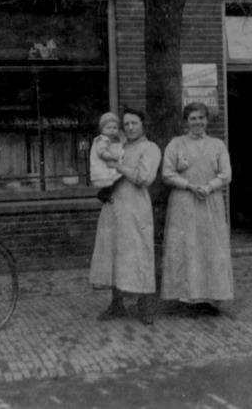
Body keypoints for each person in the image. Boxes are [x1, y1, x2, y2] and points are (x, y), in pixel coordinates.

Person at [89, 108, 161, 325]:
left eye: (134, 123)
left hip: (136, 207)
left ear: (143, 125)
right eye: (126, 124)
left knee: (139, 253)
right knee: (113, 253)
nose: (129, 127)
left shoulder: (150, 148)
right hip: (114, 206)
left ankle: (145, 305)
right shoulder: (116, 145)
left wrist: (117, 165)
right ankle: (116, 304)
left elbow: (144, 177)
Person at [161, 102, 233, 314]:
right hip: (184, 201)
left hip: (209, 202)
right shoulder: (176, 144)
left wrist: (210, 187)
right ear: (186, 121)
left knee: (209, 247)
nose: (197, 122)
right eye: (193, 118)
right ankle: (186, 298)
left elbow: (226, 174)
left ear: (207, 120)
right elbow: (167, 173)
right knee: (186, 246)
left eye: (201, 118)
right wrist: (189, 186)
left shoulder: (218, 145)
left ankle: (209, 298)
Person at [90, 112, 125, 204]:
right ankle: (103, 193)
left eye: (115, 128)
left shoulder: (110, 140)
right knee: (119, 177)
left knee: (116, 179)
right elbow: (101, 152)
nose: (112, 130)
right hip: (101, 168)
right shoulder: (102, 140)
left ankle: (105, 193)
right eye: (108, 128)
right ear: (102, 130)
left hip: (105, 167)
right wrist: (112, 156)